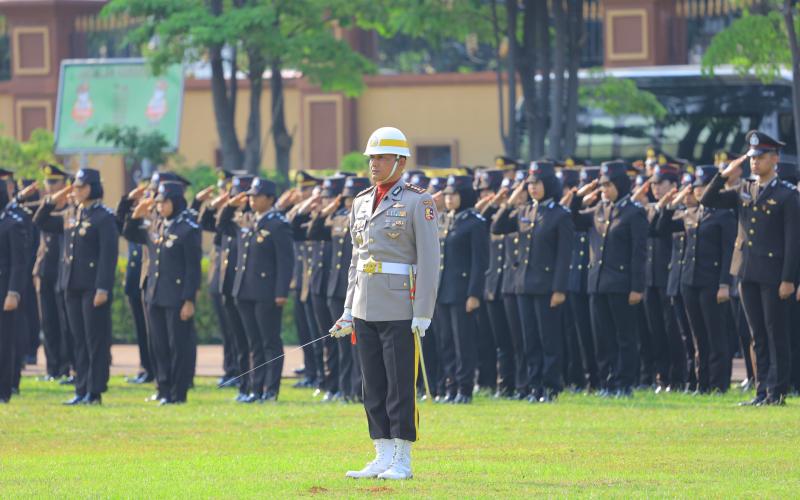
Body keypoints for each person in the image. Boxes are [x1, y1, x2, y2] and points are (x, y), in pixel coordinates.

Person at [329, 126, 440, 480]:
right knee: (372, 384)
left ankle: (403, 459)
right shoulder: (360, 201)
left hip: (399, 305)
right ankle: (381, 453)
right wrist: (348, 309)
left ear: (400, 161)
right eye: (371, 158)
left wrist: (422, 310)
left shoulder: (417, 200)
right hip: (365, 303)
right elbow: (356, 260)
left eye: (381, 157)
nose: (374, 164)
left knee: (398, 384)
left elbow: (429, 259)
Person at [701, 130, 800, 406]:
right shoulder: (745, 188)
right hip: (746, 270)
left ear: (775, 159)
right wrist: (724, 174)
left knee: (775, 333)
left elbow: (794, 241)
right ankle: (761, 390)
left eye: (761, 157)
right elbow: (707, 200)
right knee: (756, 335)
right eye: (752, 158)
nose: (754, 162)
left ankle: (776, 392)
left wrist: (789, 278)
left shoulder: (787, 194)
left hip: (774, 273)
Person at [34, 168, 118, 405]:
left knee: (95, 340)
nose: (75, 191)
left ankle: (95, 390)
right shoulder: (71, 213)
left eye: (79, 186)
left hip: (92, 288)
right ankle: (81, 387)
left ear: (91, 188)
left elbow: (107, 257)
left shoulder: (104, 217)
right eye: (74, 187)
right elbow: (39, 221)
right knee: (77, 339)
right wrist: (52, 201)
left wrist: (103, 288)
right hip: (70, 285)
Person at [492, 161, 574, 402]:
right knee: (529, 340)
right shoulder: (525, 211)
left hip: (547, 286)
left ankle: (551, 387)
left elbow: (563, 257)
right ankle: (533, 385)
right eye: (529, 184)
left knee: (548, 339)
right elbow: (497, 227)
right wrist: (510, 201)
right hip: (523, 285)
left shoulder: (560, 215)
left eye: (537, 183)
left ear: (548, 184)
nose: (533, 188)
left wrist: (559, 288)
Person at [567, 161, 648, 398]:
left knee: (625, 337)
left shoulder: (634, 212)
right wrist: (579, 195)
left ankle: (624, 383)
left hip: (622, 284)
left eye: (609, 185)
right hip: (597, 283)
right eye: (602, 185)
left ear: (621, 185)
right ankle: (607, 381)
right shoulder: (597, 210)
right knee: (602, 338)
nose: (604, 189)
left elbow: (639, 253)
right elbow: (571, 218)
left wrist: (637, 287)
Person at [123, 181, 201, 405]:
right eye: (158, 202)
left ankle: (178, 393)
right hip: (154, 294)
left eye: (164, 202)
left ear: (175, 202)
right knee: (158, 344)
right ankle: (163, 388)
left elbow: (193, 269)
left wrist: (188, 300)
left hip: (176, 296)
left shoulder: (188, 229)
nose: (160, 206)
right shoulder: (155, 225)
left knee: (178, 345)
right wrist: (136, 214)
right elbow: (129, 233)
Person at [660, 166, 736, 393]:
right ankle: (702, 384)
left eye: (702, 187)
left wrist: (724, 284)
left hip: (712, 282)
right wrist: (673, 203)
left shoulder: (724, 215)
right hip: (689, 281)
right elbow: (661, 227)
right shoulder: (690, 213)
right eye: (696, 187)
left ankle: (718, 384)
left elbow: (727, 252)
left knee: (716, 335)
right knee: (697, 336)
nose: (698, 191)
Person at [438, 175, 488, 404]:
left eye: (453, 194)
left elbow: (480, 262)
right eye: (446, 195)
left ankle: (465, 389)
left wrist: (474, 294)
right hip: (442, 291)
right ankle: (450, 386)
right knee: (446, 341)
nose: (448, 199)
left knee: (463, 343)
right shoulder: (444, 220)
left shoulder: (475, 222)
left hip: (462, 292)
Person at [0, 172, 26, 403]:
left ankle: (4, 390)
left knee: (4, 343)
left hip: (4, 289)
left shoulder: (11, 225)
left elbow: (19, 263)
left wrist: (13, 292)